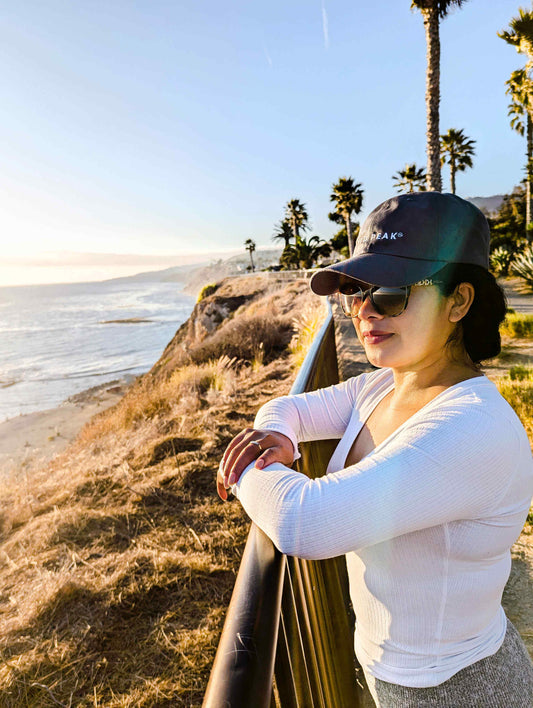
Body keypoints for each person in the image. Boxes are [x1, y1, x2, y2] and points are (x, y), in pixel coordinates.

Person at [217, 192, 533, 707]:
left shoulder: (473, 427)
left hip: (460, 689)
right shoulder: (383, 385)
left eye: (389, 292)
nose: (364, 310)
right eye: (356, 291)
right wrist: (275, 438)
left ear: (459, 301)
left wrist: (245, 469)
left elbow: (304, 522)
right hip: (398, 677)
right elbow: (286, 409)